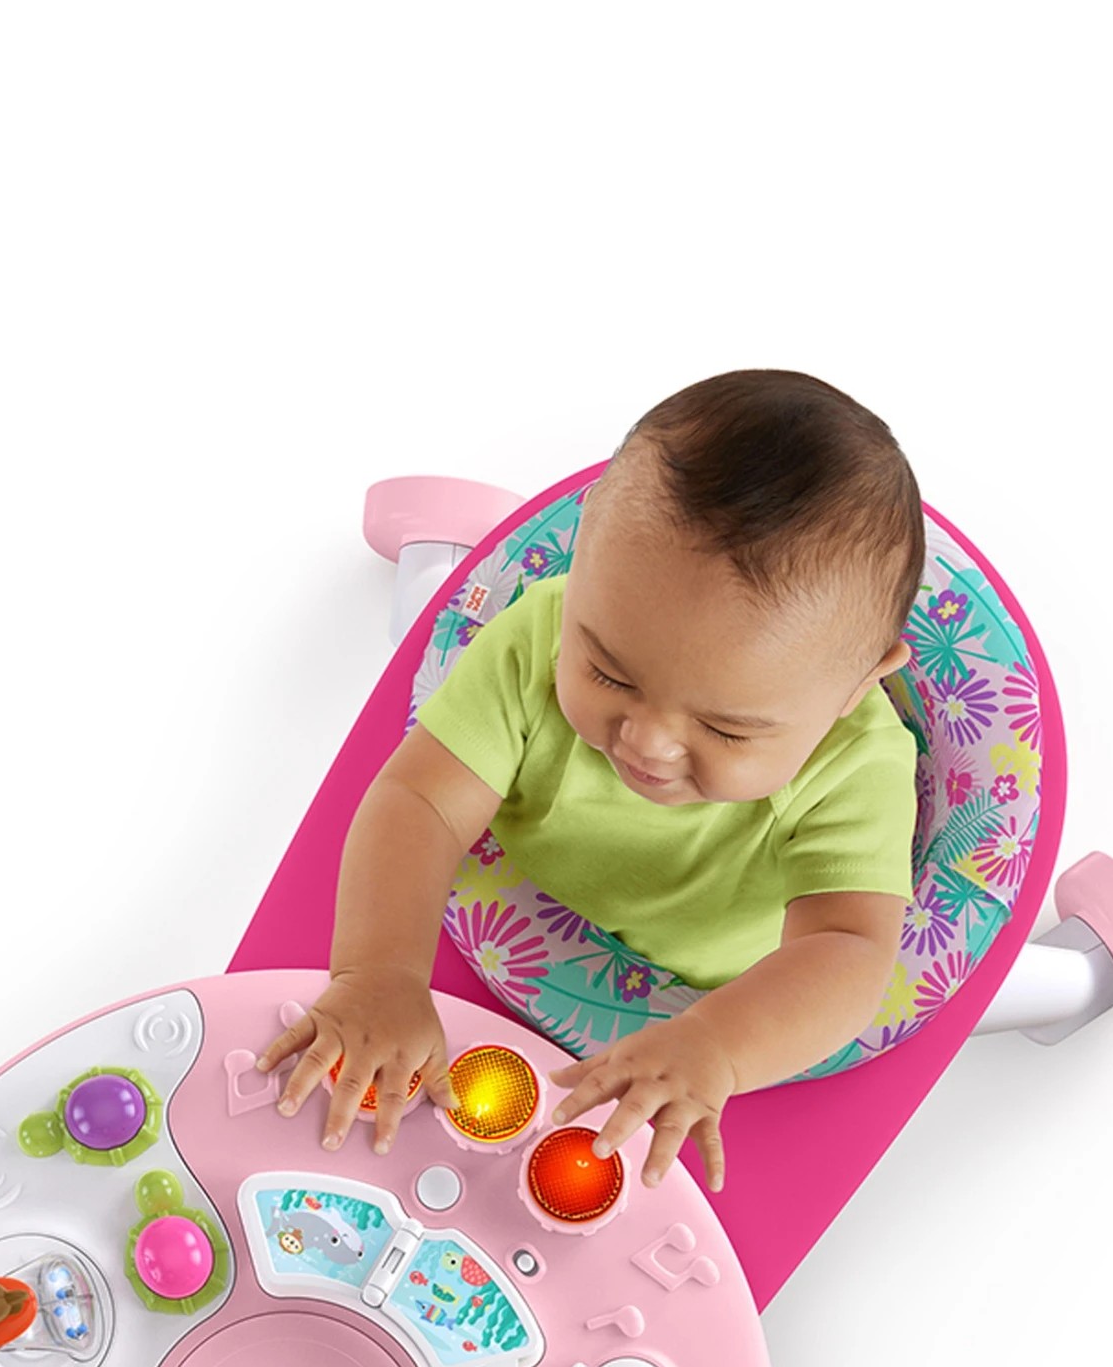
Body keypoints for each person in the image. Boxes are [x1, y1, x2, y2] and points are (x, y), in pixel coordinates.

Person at [258, 369, 924, 1191]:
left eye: (725, 729)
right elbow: (420, 801)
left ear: (859, 686)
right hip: (489, 925)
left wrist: (716, 1047)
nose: (646, 742)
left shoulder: (859, 766)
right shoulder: (536, 636)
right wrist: (379, 973)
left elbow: (850, 949)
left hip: (718, 996)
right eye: (608, 673)